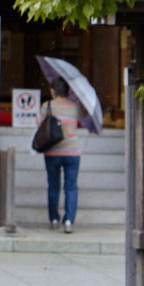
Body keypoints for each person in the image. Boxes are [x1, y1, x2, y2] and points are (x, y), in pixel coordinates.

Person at [40, 75, 87, 234]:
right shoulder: (75, 107)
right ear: (68, 92)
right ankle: (68, 221)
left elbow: (39, 125)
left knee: (53, 186)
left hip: (52, 151)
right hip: (72, 152)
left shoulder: (47, 106)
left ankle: (54, 219)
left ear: (53, 91)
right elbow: (84, 116)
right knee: (71, 187)